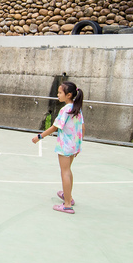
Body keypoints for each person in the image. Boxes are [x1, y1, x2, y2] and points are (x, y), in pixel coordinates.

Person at [32, 81, 84, 214]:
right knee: (68, 170)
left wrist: (39, 137)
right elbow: (82, 127)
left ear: (69, 95)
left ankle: (67, 205)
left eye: (60, 93)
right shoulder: (76, 108)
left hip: (65, 146)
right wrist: (78, 146)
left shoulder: (65, 109)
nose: (58, 95)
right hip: (73, 145)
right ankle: (69, 197)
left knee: (65, 172)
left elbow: (55, 127)